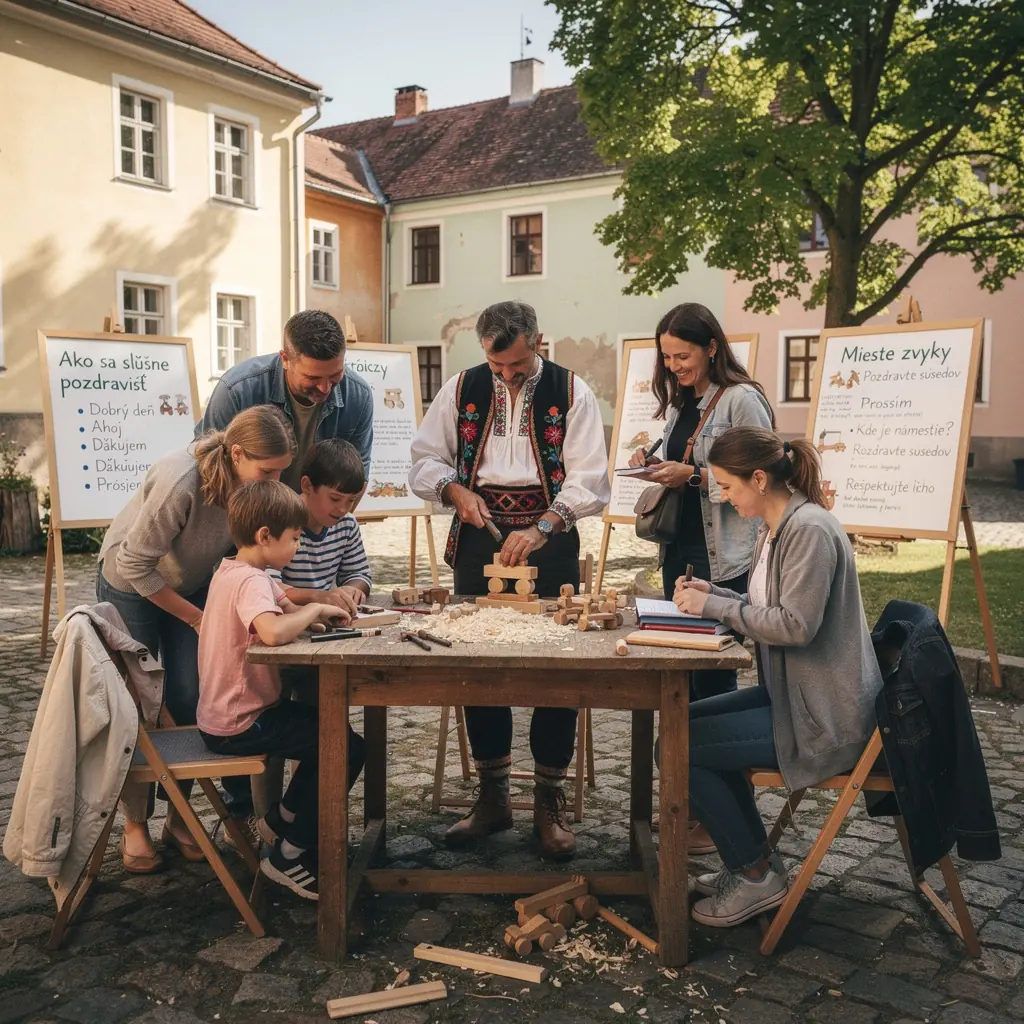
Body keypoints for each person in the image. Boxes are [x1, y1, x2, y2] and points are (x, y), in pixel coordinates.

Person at [409, 300, 610, 861]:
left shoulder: (573, 393)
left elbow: (591, 478)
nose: (507, 377)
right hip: (478, 535)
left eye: (517, 366)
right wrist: (455, 491)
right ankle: (492, 794)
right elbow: (423, 459)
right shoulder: (461, 388)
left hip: (552, 534)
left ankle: (548, 799)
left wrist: (544, 526)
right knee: (479, 664)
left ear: (538, 341)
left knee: (558, 668)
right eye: (498, 368)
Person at [669, 427, 883, 928]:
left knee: (680, 745)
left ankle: (755, 874)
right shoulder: (778, 525)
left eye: (727, 486)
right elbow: (771, 607)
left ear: (760, 478)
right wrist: (716, 595)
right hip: (791, 698)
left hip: (824, 720)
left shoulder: (808, 529)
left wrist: (716, 604)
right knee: (677, 723)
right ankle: (753, 865)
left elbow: (795, 625)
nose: (723, 496)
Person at [96, 405, 296, 872]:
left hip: (188, 582)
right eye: (267, 472)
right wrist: (198, 620)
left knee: (190, 697)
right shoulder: (181, 480)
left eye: (280, 473)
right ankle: (137, 825)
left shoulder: (249, 482)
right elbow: (134, 565)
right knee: (140, 707)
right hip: (130, 585)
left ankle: (180, 820)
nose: (272, 483)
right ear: (238, 453)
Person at [197, 480, 361, 902]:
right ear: (264, 537)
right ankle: (289, 854)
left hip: (224, 716)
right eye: (294, 538)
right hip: (242, 722)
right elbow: (271, 631)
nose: (299, 544)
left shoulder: (235, 571)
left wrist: (317, 616)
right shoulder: (250, 581)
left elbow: (286, 611)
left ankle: (282, 819)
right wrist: (312, 609)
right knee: (345, 747)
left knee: (332, 736)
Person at [629, 303, 774, 702]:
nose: (674, 365)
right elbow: (686, 461)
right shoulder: (681, 402)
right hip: (680, 546)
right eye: (667, 357)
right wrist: (656, 465)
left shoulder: (741, 400)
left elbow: (763, 478)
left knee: (713, 667)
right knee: (684, 658)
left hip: (725, 552)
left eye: (683, 356)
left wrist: (690, 475)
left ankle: (708, 751)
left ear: (711, 348)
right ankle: (687, 751)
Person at [196, 309, 374, 491]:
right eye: (313, 378)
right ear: (286, 359)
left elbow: (358, 475)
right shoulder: (236, 391)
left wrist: (330, 518)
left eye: (335, 375)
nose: (325, 387)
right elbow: (209, 468)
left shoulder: (359, 396)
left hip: (316, 517)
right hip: (245, 511)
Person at [271, 439, 371, 618]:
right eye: (335, 499)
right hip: (283, 621)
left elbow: (359, 573)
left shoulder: (346, 524)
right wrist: (318, 597)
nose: (343, 509)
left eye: (351, 500)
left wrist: (351, 590)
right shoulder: (279, 520)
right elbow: (268, 586)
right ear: (307, 486)